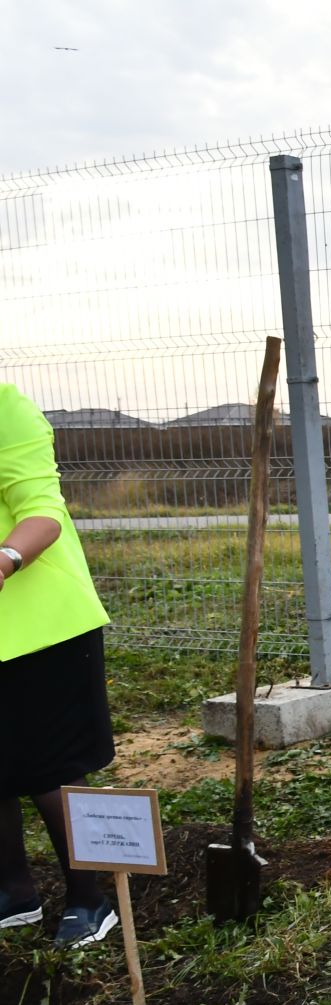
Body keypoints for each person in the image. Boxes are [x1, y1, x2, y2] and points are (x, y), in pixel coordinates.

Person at [0, 384, 119, 949]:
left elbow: (43, 511)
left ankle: (89, 900)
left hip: (41, 622)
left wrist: (6, 558)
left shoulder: (6, 408)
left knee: (54, 768)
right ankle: (14, 893)